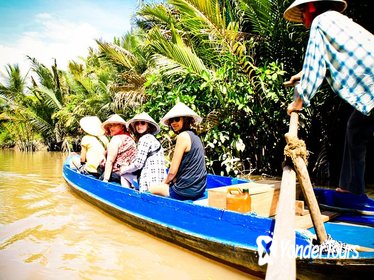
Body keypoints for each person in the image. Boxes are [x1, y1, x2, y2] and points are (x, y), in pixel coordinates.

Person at [283, 0, 374, 195]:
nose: (301, 15)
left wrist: (298, 103)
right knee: (355, 129)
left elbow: (315, 69)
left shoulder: (320, 22)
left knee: (356, 129)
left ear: (312, 7)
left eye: (302, 10)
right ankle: (351, 191)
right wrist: (301, 75)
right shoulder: (335, 20)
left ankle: (353, 192)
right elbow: (322, 61)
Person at [149, 102, 207, 200]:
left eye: (177, 119)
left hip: (185, 190)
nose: (173, 123)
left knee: (151, 188)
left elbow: (172, 172)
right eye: (171, 120)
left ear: (186, 119)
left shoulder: (182, 136)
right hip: (200, 189)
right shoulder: (195, 135)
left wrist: (163, 183)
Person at [120, 112, 166, 191]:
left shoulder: (144, 139)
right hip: (160, 181)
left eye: (142, 123)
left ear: (148, 125)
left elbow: (138, 164)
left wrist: (124, 169)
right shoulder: (152, 138)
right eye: (137, 124)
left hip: (150, 182)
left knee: (123, 174)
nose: (139, 126)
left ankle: (127, 198)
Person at [101, 114, 137, 185]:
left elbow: (110, 161)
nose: (111, 128)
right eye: (111, 125)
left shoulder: (116, 139)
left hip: (116, 174)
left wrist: (105, 180)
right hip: (128, 174)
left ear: (122, 127)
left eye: (115, 125)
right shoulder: (130, 139)